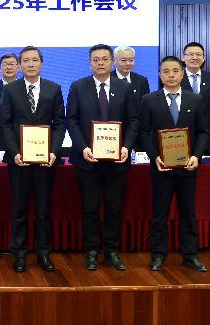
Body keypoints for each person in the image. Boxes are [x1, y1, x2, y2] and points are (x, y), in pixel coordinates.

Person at [66, 44, 139, 271]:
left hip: (117, 160)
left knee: (114, 208)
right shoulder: (78, 86)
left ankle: (111, 251)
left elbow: (134, 120)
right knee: (90, 208)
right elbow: (71, 120)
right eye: (95, 59)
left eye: (104, 59)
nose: (100, 63)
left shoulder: (124, 87)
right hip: (87, 160)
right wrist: (82, 147)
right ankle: (91, 252)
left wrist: (126, 146)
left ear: (112, 62)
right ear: (89, 63)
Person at [140, 55, 209, 272]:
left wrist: (196, 156)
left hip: (188, 167)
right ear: (159, 75)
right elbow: (144, 132)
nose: (171, 75)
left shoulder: (195, 100)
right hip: (161, 167)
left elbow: (203, 132)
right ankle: (158, 255)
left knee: (187, 213)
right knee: (160, 212)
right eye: (166, 71)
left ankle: (190, 255)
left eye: (175, 71)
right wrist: (154, 156)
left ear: (182, 73)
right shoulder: (149, 100)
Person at [0, 46, 65, 272]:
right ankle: (19, 254)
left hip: (46, 161)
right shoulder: (11, 89)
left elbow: (60, 123)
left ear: (41, 64)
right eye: (26, 60)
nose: (30, 64)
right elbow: (5, 123)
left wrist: (54, 151)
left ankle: (43, 253)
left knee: (43, 210)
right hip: (19, 160)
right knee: (19, 209)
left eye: (34, 60)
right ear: (20, 65)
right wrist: (14, 152)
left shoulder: (54, 88)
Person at [180, 42, 210, 154]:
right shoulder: (176, 79)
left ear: (204, 58)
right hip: (182, 136)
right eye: (190, 54)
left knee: (206, 165)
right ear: (183, 57)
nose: (194, 57)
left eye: (198, 54)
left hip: (207, 135)